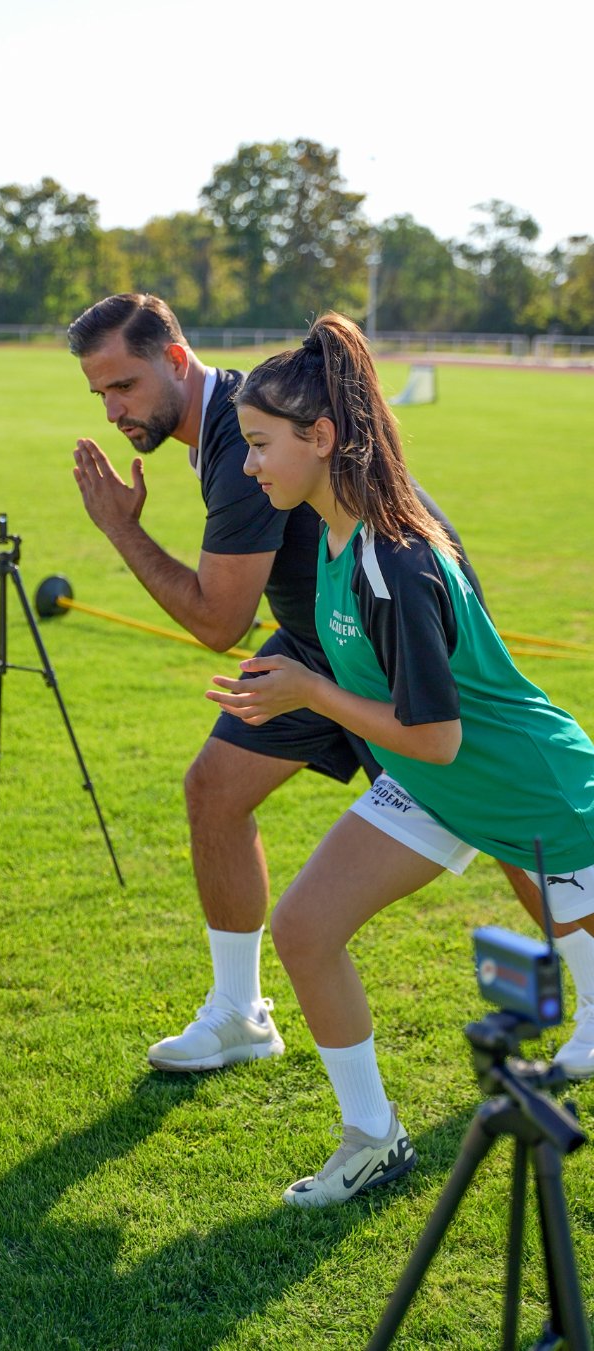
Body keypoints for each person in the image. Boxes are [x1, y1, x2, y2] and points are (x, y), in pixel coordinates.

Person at [67, 293, 594, 1081]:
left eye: (124, 386)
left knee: (502, 817)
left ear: (175, 360)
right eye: (100, 393)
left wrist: (120, 527)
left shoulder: (245, 437)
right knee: (214, 788)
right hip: (319, 641)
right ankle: (239, 1013)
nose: (113, 410)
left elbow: (218, 620)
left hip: (378, 640)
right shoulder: (239, 424)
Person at [205, 311, 594, 1207]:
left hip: (532, 789)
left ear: (322, 437)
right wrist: (299, 678)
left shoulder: (395, 559)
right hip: (434, 785)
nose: (249, 465)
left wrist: (310, 690)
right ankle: (373, 1137)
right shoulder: (332, 532)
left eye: (260, 445)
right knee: (305, 928)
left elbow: (439, 734)